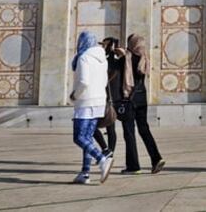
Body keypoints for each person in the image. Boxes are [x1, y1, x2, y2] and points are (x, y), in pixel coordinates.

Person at [117, 33, 166, 175]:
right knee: (144, 129)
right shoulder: (144, 58)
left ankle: (133, 166)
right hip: (142, 98)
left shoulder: (126, 58)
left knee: (129, 132)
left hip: (129, 99)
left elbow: (117, 71)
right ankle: (156, 158)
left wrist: (118, 55)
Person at [69, 31, 114, 184]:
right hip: (99, 101)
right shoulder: (102, 59)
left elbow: (84, 82)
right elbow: (104, 81)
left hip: (85, 102)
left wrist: (75, 95)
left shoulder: (84, 58)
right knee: (88, 138)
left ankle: (102, 159)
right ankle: (85, 173)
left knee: (79, 137)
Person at [93, 37, 121, 157]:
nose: (102, 47)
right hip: (103, 96)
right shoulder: (104, 59)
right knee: (97, 126)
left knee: (110, 126)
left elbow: (112, 75)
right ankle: (108, 150)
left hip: (110, 98)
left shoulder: (113, 61)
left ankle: (109, 151)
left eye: (105, 45)